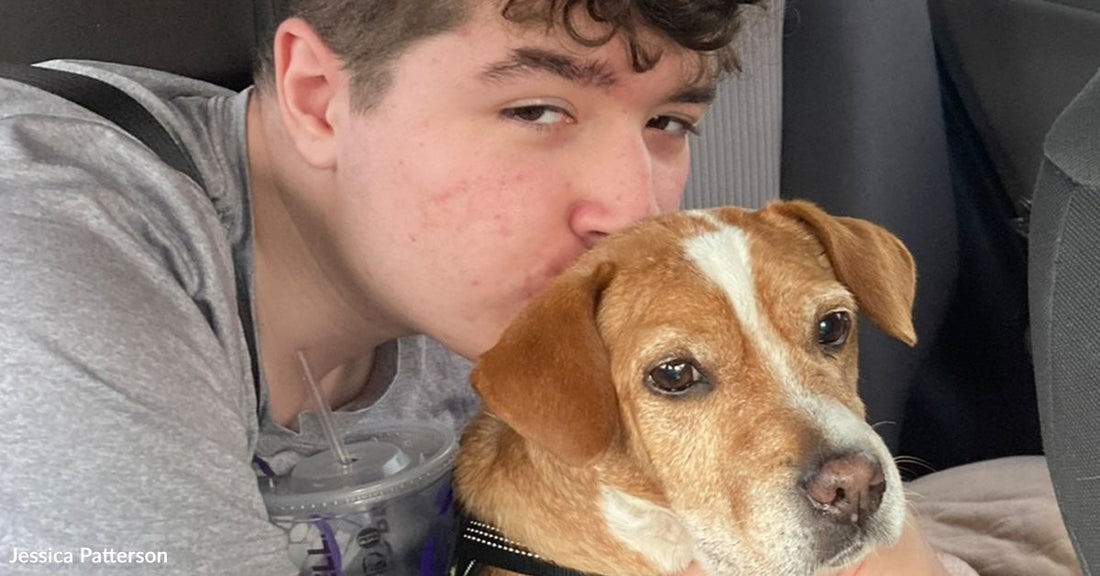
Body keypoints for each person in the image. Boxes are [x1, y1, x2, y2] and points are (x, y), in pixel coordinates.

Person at [0, 0, 950, 574]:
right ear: (318, 96)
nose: (629, 207)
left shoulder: (516, 308)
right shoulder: (45, 263)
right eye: (537, 109)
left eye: (666, 120)